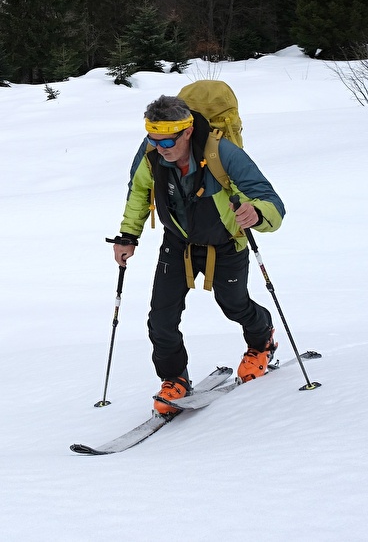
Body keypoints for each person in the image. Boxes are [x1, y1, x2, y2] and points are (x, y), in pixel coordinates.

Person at [110, 94, 286, 416]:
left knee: (234, 304)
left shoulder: (223, 153)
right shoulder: (151, 154)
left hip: (225, 244)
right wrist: (128, 236)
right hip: (177, 243)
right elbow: (138, 192)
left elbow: (271, 202)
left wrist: (256, 214)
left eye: (167, 140)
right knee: (160, 318)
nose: (160, 147)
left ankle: (262, 343)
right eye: (154, 138)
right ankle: (174, 379)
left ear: (187, 132)